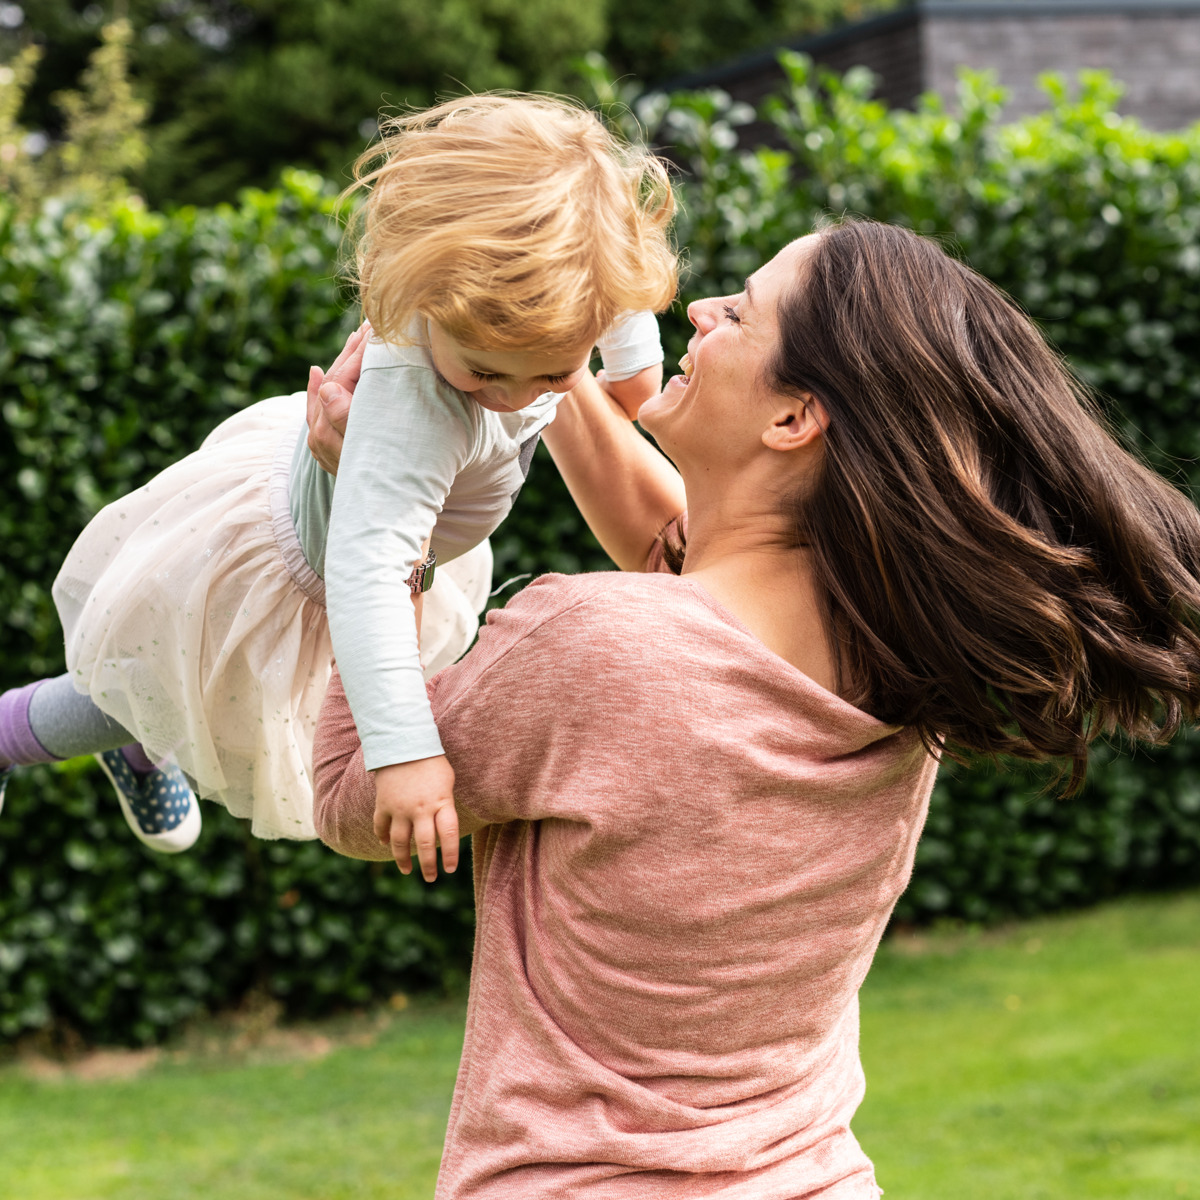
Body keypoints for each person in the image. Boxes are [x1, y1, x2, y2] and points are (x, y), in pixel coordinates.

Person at [311, 219, 1200, 1197]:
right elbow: (676, 558)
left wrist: (378, 514)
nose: (699, 308)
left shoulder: (590, 646)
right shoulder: (889, 665)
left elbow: (353, 788)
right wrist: (539, 353)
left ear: (793, 420)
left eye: (739, 310)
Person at [0, 95, 676, 861]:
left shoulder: (569, 281)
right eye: (485, 371)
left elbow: (614, 285)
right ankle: (12, 735)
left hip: (388, 546)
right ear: (424, 298)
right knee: (146, 699)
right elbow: (371, 575)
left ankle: (142, 735)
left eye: (553, 371)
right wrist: (404, 752)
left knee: (166, 698)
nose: (518, 398)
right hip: (302, 579)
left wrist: (630, 367)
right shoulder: (417, 403)